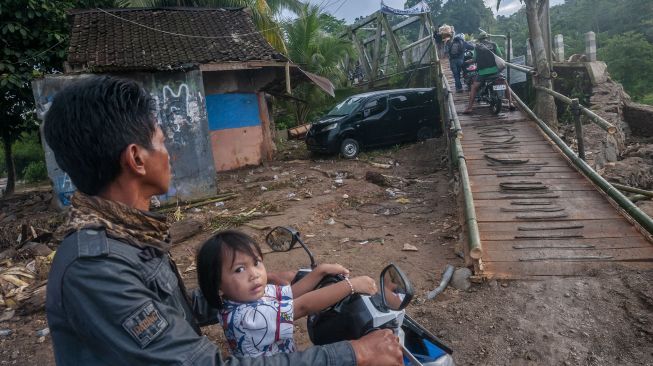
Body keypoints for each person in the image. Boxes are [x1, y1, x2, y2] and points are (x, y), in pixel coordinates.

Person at [43, 75, 403, 366]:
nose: (170, 154)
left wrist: (244, 286)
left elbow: (169, 313)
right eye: (162, 143)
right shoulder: (97, 267)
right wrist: (357, 352)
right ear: (136, 159)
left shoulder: (128, 235)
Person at [196, 230, 377, 358]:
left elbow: (291, 293)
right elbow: (302, 306)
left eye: (256, 262)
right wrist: (351, 285)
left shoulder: (244, 297)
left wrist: (319, 272)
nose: (254, 274)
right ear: (217, 284)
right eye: (239, 269)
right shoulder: (247, 317)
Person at [462, 32, 516, 114]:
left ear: (479, 40)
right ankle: (511, 103)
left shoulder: (477, 47)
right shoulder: (494, 45)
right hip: (495, 71)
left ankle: (469, 108)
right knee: (505, 84)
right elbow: (499, 55)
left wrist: (467, 62)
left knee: (474, 87)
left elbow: (474, 59)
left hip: (483, 72)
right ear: (487, 38)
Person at [440, 25, 473, 93]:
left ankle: (459, 88)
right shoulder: (464, 43)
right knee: (465, 71)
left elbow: (447, 51)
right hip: (461, 61)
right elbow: (472, 47)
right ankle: (469, 84)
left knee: (456, 75)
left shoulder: (451, 43)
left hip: (452, 61)